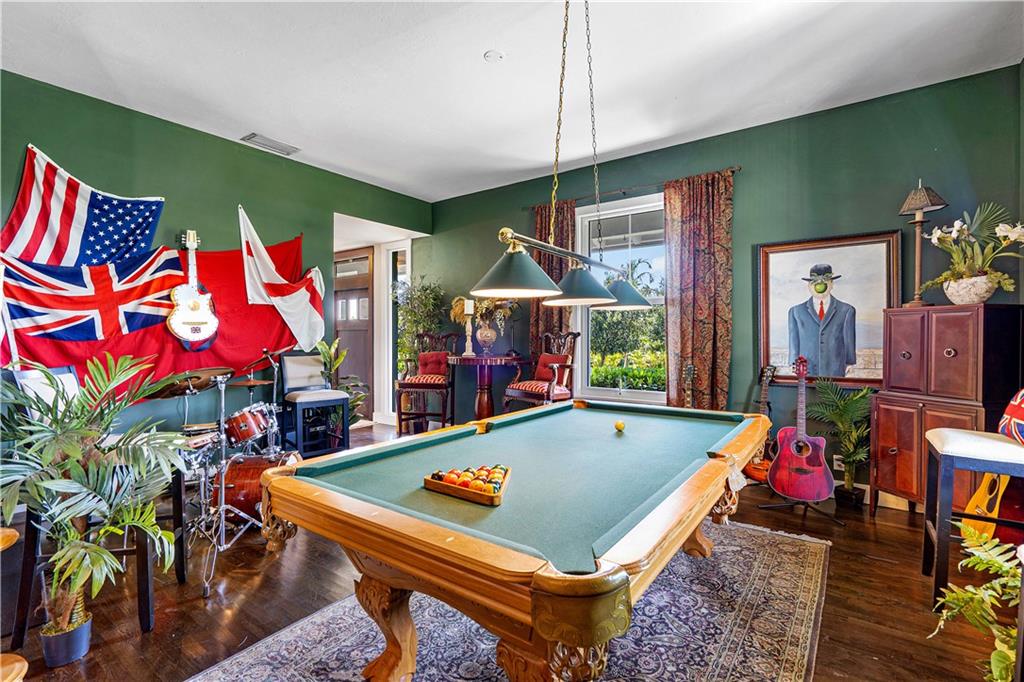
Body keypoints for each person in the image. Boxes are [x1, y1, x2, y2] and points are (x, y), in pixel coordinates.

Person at [787, 264, 856, 377]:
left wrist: (850, 362)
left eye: (825, 281)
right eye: (815, 282)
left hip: (835, 369)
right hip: (806, 370)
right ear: (809, 286)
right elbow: (794, 340)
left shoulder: (847, 310)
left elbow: (849, 339)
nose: (820, 285)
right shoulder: (795, 312)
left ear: (831, 284)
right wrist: (793, 363)